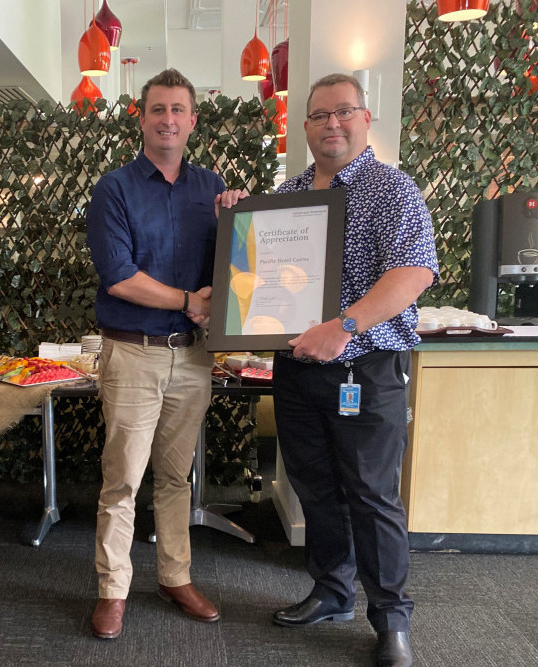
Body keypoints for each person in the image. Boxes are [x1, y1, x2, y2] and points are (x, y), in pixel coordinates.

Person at [270, 74, 439, 667]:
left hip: (364, 369)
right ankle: (332, 590)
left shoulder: (394, 190)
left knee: (371, 496)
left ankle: (391, 620)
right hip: (295, 372)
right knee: (314, 489)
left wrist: (342, 326)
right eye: (319, 115)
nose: (332, 124)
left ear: (366, 119)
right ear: (306, 127)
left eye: (344, 112)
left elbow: (413, 272)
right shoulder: (287, 195)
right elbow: (266, 275)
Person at [86, 68, 246, 640]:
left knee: (177, 477)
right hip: (134, 354)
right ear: (143, 117)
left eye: (179, 110)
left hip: (193, 357)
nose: (169, 120)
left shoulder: (213, 187)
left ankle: (174, 576)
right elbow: (119, 277)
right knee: (124, 479)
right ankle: (113, 589)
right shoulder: (115, 188)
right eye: (159, 109)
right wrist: (187, 300)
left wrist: (242, 220)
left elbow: (235, 266)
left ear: (192, 120)